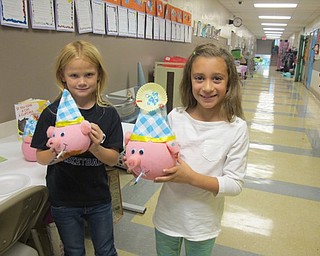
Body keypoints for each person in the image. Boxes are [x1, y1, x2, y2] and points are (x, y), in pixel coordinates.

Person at [152, 43, 249, 256]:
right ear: (189, 81)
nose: (207, 87)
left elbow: (234, 184)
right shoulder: (175, 118)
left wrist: (190, 177)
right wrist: (141, 158)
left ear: (229, 82)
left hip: (203, 225)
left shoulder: (236, 128)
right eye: (199, 78)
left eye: (217, 78)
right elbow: (159, 162)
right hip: (167, 217)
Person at [31, 40, 123, 256]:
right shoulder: (51, 114)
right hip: (63, 199)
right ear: (62, 75)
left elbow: (112, 159)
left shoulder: (107, 114)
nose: (82, 82)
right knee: (73, 251)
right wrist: (58, 152)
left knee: (106, 250)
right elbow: (40, 157)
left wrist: (94, 146)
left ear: (99, 74)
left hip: (98, 197)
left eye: (89, 74)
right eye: (74, 75)